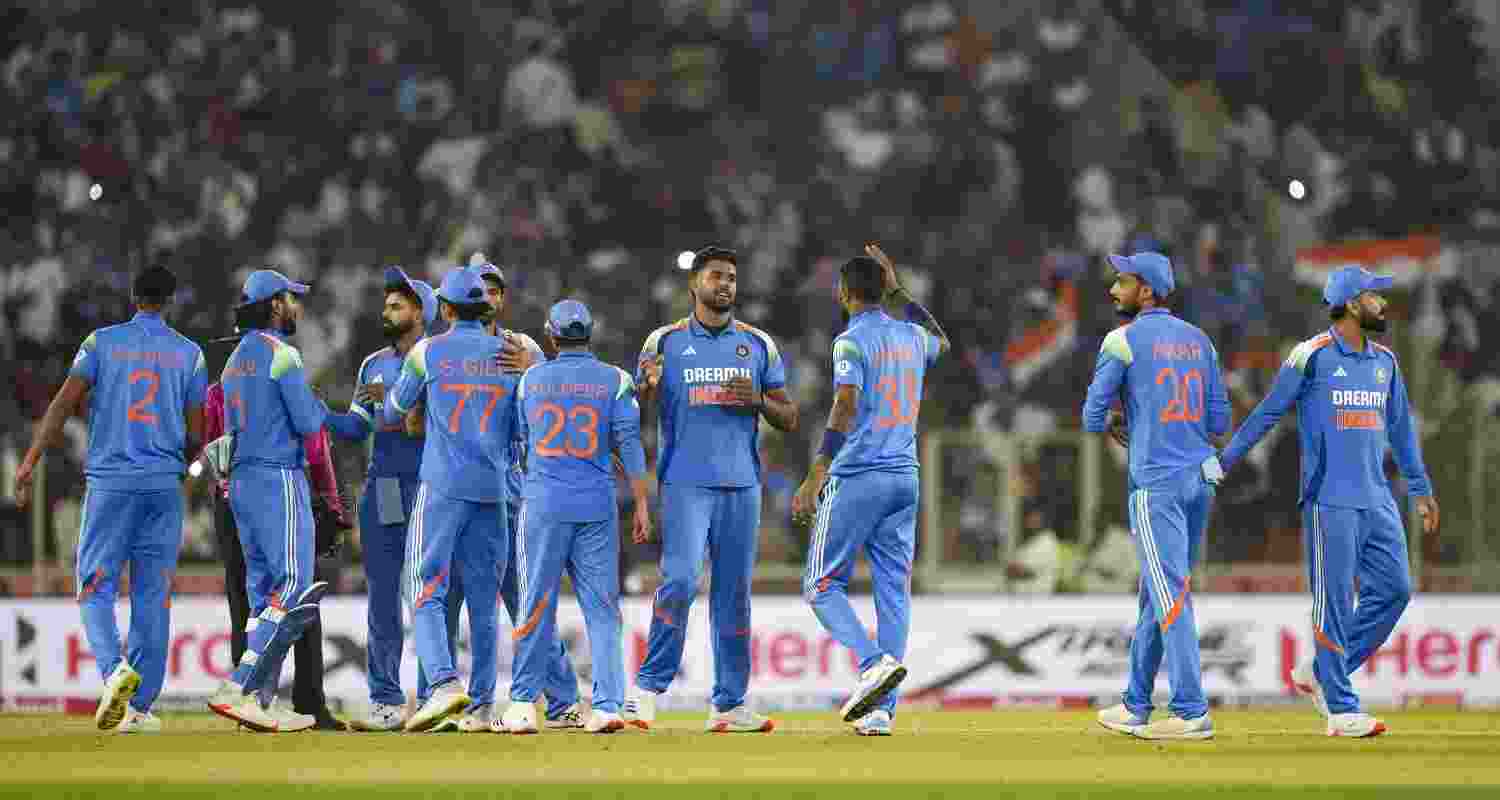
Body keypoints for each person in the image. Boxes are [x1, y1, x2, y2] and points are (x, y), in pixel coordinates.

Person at [1211, 265, 1439, 738]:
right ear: (1353, 303)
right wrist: (1223, 462)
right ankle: (1340, 708)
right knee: (1333, 603)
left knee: (1395, 589)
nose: (1383, 304)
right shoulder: (1310, 356)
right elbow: (1268, 411)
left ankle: (1319, 672)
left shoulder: (1386, 363)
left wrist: (1419, 487)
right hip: (1329, 499)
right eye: (1375, 297)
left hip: (1377, 500)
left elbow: (1401, 430)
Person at [14, 266, 206, 734]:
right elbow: (198, 434)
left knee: (95, 584)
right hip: (163, 485)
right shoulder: (191, 354)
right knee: (152, 596)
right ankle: (139, 707)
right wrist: (187, 469)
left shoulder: (100, 343)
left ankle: (112, 668)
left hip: (112, 483)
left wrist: (29, 461)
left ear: (134, 297)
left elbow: (62, 403)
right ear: (170, 301)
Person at [625, 245, 799, 733]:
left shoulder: (758, 344)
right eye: (716, 276)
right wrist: (647, 390)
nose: (725, 285)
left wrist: (760, 400)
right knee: (679, 581)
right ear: (694, 285)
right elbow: (636, 408)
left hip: (742, 485)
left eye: (731, 278)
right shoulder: (663, 342)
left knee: (733, 595)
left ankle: (728, 704)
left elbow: (789, 416)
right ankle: (647, 689)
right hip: (684, 482)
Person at [791, 244, 948, 736]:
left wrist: (818, 470)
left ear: (843, 293)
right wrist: (903, 292)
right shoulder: (910, 336)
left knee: (820, 585)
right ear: (885, 289)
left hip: (859, 474)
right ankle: (881, 711)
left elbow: (844, 404)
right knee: (892, 593)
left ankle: (869, 663)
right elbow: (943, 339)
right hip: (906, 476)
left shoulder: (850, 341)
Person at [1082, 251, 1229, 741]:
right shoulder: (1200, 340)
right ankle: (1137, 703)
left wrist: (1123, 416)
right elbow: (1219, 422)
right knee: (1157, 592)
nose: (1112, 290)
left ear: (1145, 291)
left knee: (1169, 596)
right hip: (1200, 481)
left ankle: (1191, 711)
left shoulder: (1121, 341)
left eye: (1121, 282)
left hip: (1156, 484)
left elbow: (1090, 416)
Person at [502, 299, 653, 734]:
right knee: (603, 609)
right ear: (590, 334)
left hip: (544, 504)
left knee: (535, 605)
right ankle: (607, 705)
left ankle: (523, 705)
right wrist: (642, 504)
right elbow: (629, 446)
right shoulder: (617, 381)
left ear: (551, 336)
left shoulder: (531, 380)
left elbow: (524, 438)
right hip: (597, 506)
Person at [384, 266, 519, 732]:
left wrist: (420, 405)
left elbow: (392, 410)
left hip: (442, 484)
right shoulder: (511, 354)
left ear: (444, 308)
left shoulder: (429, 350)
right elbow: (522, 426)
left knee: (423, 586)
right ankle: (482, 707)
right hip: (495, 488)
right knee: (485, 601)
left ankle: (442, 683)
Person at [206, 269, 332, 733]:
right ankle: (239, 686)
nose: (296, 306)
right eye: (291, 299)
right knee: (295, 583)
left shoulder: (234, 359)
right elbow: (305, 422)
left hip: (240, 482)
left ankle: (256, 702)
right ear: (275, 306)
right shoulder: (284, 355)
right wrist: (336, 412)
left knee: (264, 594)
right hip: (278, 475)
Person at [323, 267, 441, 731]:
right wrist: (318, 416)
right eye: (386, 304)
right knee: (385, 596)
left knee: (433, 594)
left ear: (421, 312)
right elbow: (356, 428)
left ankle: (436, 696)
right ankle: (386, 701)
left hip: (433, 486)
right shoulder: (372, 364)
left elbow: (447, 420)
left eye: (398, 305)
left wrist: (394, 399)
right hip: (389, 486)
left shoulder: (441, 358)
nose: (386, 311)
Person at [203, 381, 350, 731]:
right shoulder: (290, 386)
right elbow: (318, 450)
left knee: (248, 600)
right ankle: (293, 699)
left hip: (234, 499)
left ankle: (254, 701)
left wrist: (221, 486)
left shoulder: (219, 393)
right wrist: (334, 505)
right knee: (296, 598)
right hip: (287, 495)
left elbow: (211, 448)